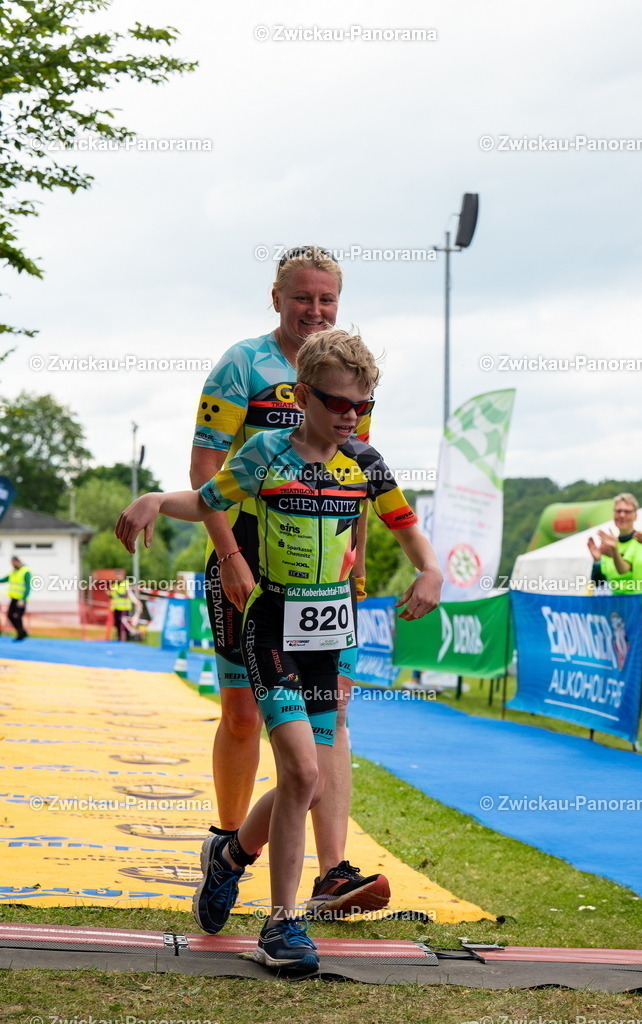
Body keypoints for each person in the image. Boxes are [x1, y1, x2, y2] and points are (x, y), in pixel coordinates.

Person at [116, 329, 443, 971]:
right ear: (301, 397)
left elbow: (406, 526)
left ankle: (231, 854)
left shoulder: (366, 463)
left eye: (363, 405)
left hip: (330, 635)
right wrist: (155, 499)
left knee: (309, 781)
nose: (350, 416)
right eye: (338, 403)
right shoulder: (266, 453)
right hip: (271, 627)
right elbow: (206, 501)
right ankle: (282, 925)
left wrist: (429, 569)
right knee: (301, 771)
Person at [190, 246, 384, 918]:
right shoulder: (241, 364)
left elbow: (356, 470)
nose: (315, 310)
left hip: (325, 574)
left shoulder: (348, 370)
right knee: (245, 713)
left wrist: (357, 558)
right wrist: (230, 557)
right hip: (249, 555)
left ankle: (331, 873)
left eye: (327, 299)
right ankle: (226, 841)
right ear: (276, 298)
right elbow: (205, 474)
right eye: (303, 297)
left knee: (329, 715)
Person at [587, 493, 640, 592]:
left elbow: (633, 569)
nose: (622, 515)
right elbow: (599, 584)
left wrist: (615, 554)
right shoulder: (609, 545)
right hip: (615, 600)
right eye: (618, 511)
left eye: (627, 511)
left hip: (638, 599)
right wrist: (597, 561)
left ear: (636, 516)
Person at [1, 555, 31, 641]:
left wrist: (23, 599)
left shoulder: (25, 571)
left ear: (17, 562)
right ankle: (22, 632)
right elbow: (7, 578)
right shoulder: (14, 572)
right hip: (14, 598)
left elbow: (28, 586)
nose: (12, 565)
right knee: (10, 615)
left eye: (13, 563)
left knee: (17, 616)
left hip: (21, 599)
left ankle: (21, 633)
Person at [109, 576, 141, 641]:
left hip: (124, 608)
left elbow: (129, 594)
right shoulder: (114, 585)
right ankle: (120, 637)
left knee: (125, 624)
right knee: (117, 624)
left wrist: (136, 602)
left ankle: (128, 637)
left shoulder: (125, 584)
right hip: (116, 608)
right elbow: (112, 596)